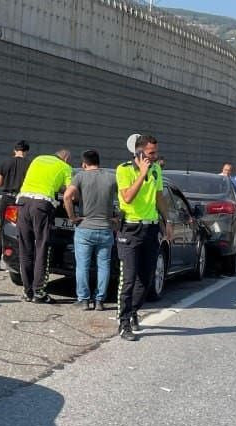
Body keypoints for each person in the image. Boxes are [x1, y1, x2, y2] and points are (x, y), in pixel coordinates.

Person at [115, 134, 171, 340]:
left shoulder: (156, 169)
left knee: (146, 278)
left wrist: (168, 221)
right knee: (128, 278)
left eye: (155, 152)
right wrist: (142, 173)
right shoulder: (123, 169)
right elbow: (127, 197)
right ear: (138, 153)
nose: (155, 156)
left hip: (151, 229)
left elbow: (159, 198)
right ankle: (123, 323)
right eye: (151, 153)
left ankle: (132, 312)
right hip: (130, 229)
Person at [63, 149, 120, 311]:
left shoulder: (80, 176)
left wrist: (72, 217)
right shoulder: (111, 177)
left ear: (84, 163)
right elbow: (124, 196)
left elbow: (67, 196)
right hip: (105, 228)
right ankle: (100, 300)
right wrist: (118, 216)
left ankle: (84, 300)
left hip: (85, 228)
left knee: (82, 265)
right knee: (104, 265)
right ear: (98, 162)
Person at [15, 149, 73, 303]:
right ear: (66, 158)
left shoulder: (38, 158)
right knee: (41, 248)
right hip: (41, 205)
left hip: (22, 202)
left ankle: (27, 291)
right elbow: (69, 193)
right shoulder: (65, 167)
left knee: (25, 248)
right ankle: (39, 292)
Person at [0, 140, 29, 270]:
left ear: (15, 150)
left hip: (6, 198)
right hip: (20, 200)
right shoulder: (29, 164)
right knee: (19, 230)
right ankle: (16, 260)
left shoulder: (5, 162)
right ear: (26, 151)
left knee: (3, 227)